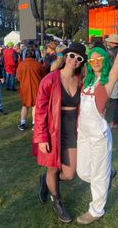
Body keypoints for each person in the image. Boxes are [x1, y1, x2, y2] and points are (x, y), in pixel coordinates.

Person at [76, 9, 118, 225]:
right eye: (92, 58)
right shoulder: (86, 80)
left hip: (98, 135)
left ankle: (96, 209)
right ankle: (109, 173)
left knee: (98, 175)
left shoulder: (108, 81)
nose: (95, 60)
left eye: (99, 58)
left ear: (105, 60)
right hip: (83, 134)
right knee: (83, 172)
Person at [33, 42, 87, 223]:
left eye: (79, 58)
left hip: (72, 131)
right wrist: (41, 137)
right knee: (53, 168)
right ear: (66, 56)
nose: (74, 60)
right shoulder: (49, 79)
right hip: (52, 130)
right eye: (72, 55)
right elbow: (39, 109)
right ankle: (57, 201)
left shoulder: (81, 80)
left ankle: (45, 181)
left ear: (81, 62)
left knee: (70, 174)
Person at [16, 47, 45, 131]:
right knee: (35, 106)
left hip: (25, 88)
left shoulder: (21, 64)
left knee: (25, 106)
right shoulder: (38, 64)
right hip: (36, 87)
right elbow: (43, 76)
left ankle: (22, 123)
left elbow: (18, 77)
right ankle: (34, 123)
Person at [105, 34, 118, 129]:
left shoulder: (110, 52)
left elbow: (107, 65)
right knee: (117, 99)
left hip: (113, 77)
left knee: (114, 100)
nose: (107, 42)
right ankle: (116, 119)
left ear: (113, 43)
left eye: (109, 41)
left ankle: (115, 122)